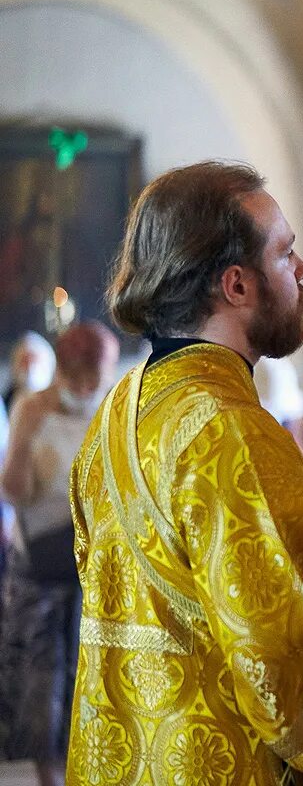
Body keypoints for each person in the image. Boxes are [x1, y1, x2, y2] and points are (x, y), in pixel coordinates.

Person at [67, 161, 303, 784]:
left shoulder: (119, 411)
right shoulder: (228, 429)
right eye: (285, 253)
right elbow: (275, 657)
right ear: (237, 286)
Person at [0, 320, 117, 786]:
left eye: (98, 377)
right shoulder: (33, 408)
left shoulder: (111, 407)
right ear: (65, 368)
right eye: (83, 376)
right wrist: (25, 441)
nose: (89, 387)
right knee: (41, 687)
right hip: (43, 570)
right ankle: (46, 776)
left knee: (92, 683)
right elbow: (13, 490)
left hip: (96, 566)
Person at [4, 331, 55, 412]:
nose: (29, 367)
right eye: (24, 361)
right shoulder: (5, 404)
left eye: (33, 360)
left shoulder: (59, 410)